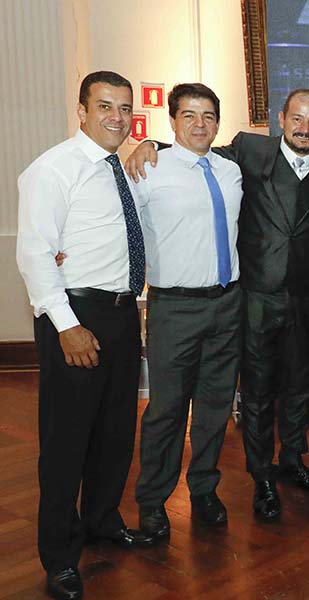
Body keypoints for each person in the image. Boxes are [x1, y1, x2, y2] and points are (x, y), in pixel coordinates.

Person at [126, 89, 309, 521]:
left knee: (270, 394)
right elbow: (193, 147)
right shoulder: (247, 152)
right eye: (297, 119)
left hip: (295, 301)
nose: (304, 128)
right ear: (281, 119)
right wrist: (149, 143)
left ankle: (282, 464)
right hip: (245, 299)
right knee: (225, 400)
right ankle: (250, 480)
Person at [17, 70, 154, 600]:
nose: (117, 117)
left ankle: (102, 521)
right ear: (81, 110)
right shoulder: (53, 169)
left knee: (115, 432)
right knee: (66, 442)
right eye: (105, 106)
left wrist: (153, 145)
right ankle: (59, 556)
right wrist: (67, 325)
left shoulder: (124, 167)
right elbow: (34, 253)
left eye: (124, 108)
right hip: (75, 315)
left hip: (121, 314)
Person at [132, 83, 243, 540]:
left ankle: (204, 489)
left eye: (208, 116)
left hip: (227, 304)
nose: (200, 124)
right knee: (167, 410)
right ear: (173, 121)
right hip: (174, 307)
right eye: (189, 116)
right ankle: (152, 501)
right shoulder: (148, 169)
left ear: (218, 122)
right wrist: (146, 145)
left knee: (215, 407)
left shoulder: (231, 170)